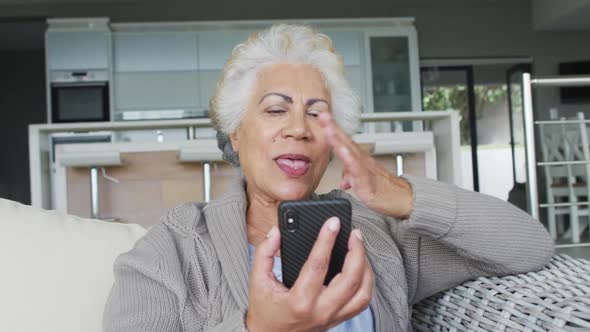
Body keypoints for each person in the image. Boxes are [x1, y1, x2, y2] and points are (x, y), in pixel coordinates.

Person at [103, 24, 554, 332]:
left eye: (317, 113)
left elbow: (529, 246)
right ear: (235, 134)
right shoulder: (175, 249)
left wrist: (402, 195)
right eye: (276, 109)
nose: (300, 128)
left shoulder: (375, 234)